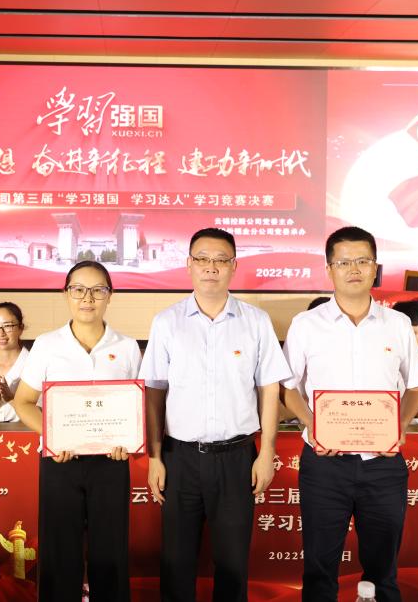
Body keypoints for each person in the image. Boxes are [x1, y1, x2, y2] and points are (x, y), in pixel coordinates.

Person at [280, 226, 418, 602]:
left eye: (363, 260)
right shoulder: (306, 325)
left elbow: (417, 387)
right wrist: (314, 425)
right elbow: (288, 390)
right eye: (344, 262)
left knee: (383, 572)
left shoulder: (397, 325)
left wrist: (401, 424)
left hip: (383, 464)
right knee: (319, 570)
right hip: (324, 464)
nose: (354, 269)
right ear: (329, 269)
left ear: (375, 267)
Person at [142, 228, 289, 602]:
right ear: (189, 264)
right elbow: (155, 392)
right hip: (179, 458)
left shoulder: (256, 322)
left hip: (236, 458)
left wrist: (266, 452)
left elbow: (269, 389)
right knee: (176, 562)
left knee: (233, 564)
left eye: (221, 260)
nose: (211, 267)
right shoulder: (167, 322)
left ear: (234, 266)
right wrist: (155, 457)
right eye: (203, 259)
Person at [10, 261, 141, 602]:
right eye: (78, 290)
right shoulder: (47, 344)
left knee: (110, 553)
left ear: (110, 295)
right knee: (59, 554)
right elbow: (23, 402)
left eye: (98, 290)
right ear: (66, 294)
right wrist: (55, 438)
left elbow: (136, 406)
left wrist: (128, 442)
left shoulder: (126, 346)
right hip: (60, 462)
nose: (88, 298)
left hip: (111, 463)